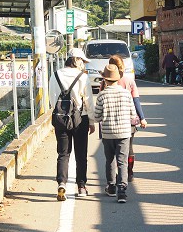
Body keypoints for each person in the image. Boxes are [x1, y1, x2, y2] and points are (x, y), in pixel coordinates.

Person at [48, 47, 96, 200]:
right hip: (80, 119)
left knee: (63, 153)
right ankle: (81, 187)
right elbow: (88, 100)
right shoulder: (82, 77)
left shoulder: (55, 75)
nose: (84, 64)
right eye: (83, 61)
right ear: (77, 60)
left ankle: (61, 183)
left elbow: (52, 99)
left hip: (61, 118)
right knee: (81, 154)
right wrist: (92, 121)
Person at [93, 63, 135, 203]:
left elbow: (97, 116)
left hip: (108, 133)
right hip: (124, 132)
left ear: (105, 79)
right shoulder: (126, 94)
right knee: (122, 161)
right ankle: (122, 191)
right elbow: (132, 114)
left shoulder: (102, 95)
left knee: (110, 160)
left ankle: (111, 187)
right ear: (118, 78)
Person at [104, 55, 147, 181]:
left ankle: (114, 178)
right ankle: (129, 172)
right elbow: (136, 101)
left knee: (112, 153)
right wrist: (142, 118)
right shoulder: (129, 80)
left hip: (110, 121)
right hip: (127, 121)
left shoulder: (105, 81)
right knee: (128, 148)